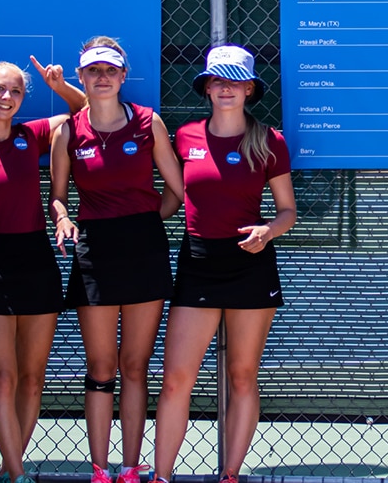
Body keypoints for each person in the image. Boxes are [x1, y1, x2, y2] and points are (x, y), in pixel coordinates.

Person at [153, 44, 296, 483]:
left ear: (250, 88)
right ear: (207, 88)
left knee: (242, 376)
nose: (226, 89)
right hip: (197, 262)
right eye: (218, 81)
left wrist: (267, 231)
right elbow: (175, 198)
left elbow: (288, 211)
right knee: (177, 378)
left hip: (250, 266)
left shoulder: (270, 141)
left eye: (235, 81)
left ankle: (230, 474)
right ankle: (160, 476)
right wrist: (142, 223)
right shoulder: (185, 137)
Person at [49, 38, 183, 483]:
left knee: (134, 367)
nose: (102, 77)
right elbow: (58, 197)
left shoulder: (149, 123)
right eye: (93, 71)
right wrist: (65, 219)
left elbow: (176, 189)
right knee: (101, 368)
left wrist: (146, 220)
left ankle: (129, 467)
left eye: (110, 70)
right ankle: (99, 470)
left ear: (123, 76)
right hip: (95, 254)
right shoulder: (67, 131)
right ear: (81, 77)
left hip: (144, 248)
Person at [0, 59, 85, 483]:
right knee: (3, 377)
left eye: (15, 91)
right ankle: (16, 473)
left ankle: (11, 466)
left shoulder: (32, 136)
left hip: (35, 262)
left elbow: (84, 111)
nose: (7, 97)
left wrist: (61, 86)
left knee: (32, 380)